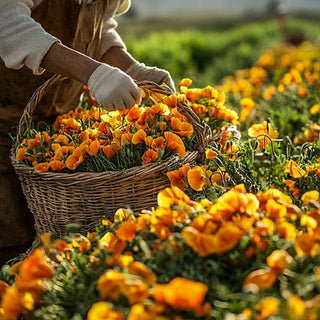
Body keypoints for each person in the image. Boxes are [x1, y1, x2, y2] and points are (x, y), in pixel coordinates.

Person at [0, 0, 175, 265]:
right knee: (9, 237)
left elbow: (95, 29)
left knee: (44, 243)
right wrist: (92, 73)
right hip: (3, 117)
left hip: (46, 130)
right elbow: (7, 20)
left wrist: (130, 69)